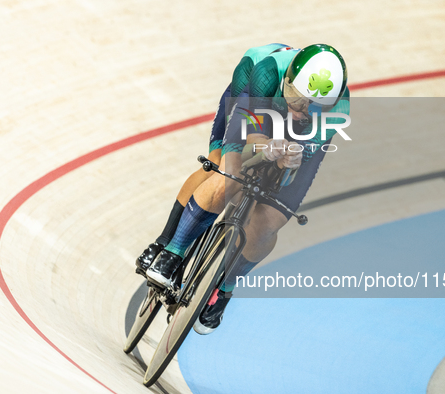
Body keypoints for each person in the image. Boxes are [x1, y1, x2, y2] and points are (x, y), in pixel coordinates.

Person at [138, 43, 350, 334]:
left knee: (269, 222)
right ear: (287, 82)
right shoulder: (267, 72)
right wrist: (265, 146)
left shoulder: (338, 107)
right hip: (251, 102)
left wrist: (290, 157)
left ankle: (223, 291)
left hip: (296, 137)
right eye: (298, 100)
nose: (302, 111)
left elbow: (302, 161)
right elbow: (248, 133)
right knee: (224, 171)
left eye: (314, 107)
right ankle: (169, 249)